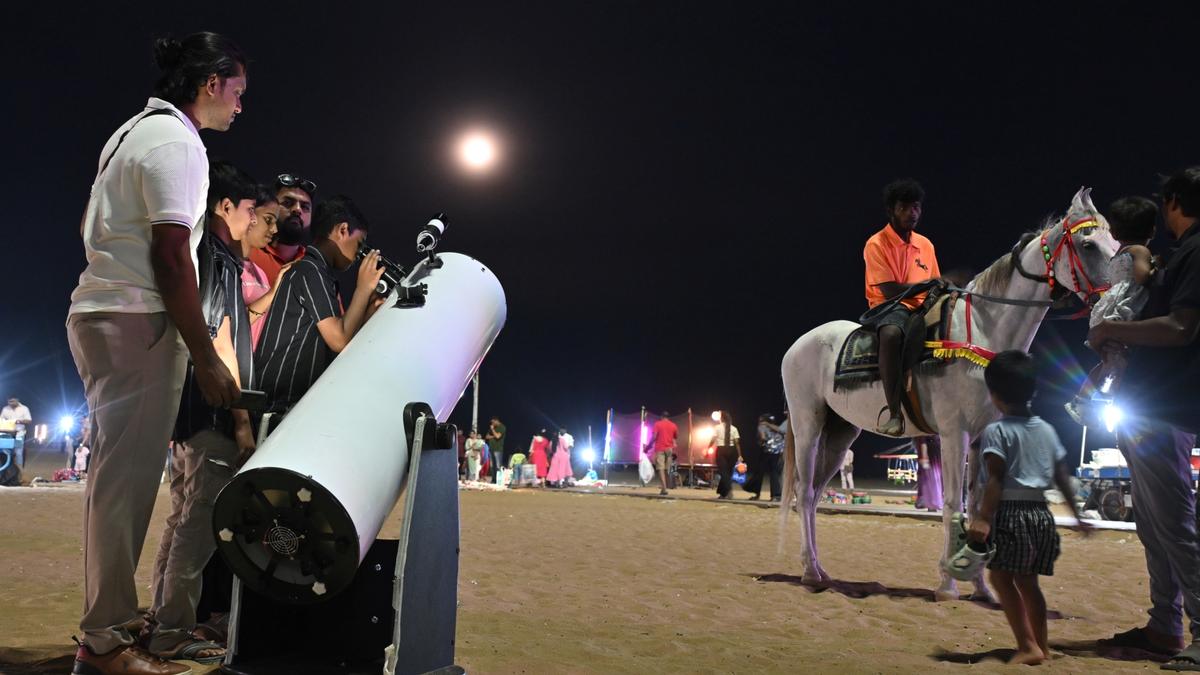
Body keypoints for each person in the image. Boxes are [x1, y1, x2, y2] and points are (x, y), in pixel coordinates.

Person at [66, 33, 245, 675]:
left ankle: (107, 623)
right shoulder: (177, 142)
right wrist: (204, 354)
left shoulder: (131, 132)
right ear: (211, 83)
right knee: (125, 488)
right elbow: (173, 258)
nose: (240, 107)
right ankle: (105, 640)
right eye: (237, 92)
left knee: (115, 482)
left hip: (103, 310)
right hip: (136, 317)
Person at [146, 160, 260, 664]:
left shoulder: (205, 255)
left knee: (181, 519)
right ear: (225, 206)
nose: (254, 220)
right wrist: (241, 420)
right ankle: (173, 632)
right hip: (211, 412)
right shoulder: (217, 259)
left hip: (188, 411)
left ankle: (159, 619)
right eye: (250, 209)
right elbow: (220, 341)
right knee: (197, 525)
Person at [1089, 168, 1200, 666]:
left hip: (1165, 407)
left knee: (1174, 525)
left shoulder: (1196, 252)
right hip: (1149, 405)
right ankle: (1164, 626)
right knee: (1154, 527)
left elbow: (1181, 327)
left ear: (1174, 201)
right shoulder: (1178, 255)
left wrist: (1112, 327)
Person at [967, 350, 1089, 665]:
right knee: (1028, 582)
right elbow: (1063, 476)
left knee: (999, 579)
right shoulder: (1046, 430)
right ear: (1033, 391)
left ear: (993, 396)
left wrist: (983, 518)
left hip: (1011, 515)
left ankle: (1027, 645)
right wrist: (1077, 516)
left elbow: (995, 479)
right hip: (1041, 516)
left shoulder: (997, 431)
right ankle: (1042, 647)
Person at [254, 195, 385, 407]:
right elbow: (339, 340)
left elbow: (335, 347)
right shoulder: (309, 269)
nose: (359, 254)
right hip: (275, 406)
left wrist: (368, 311)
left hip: (284, 405)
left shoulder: (317, 272)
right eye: (359, 244)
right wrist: (363, 288)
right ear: (343, 230)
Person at [1065, 196, 1158, 424]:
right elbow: (1142, 275)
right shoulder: (1139, 251)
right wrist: (1157, 268)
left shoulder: (1118, 255)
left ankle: (1081, 400)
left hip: (1107, 309)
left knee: (1109, 360)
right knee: (1118, 362)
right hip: (1125, 311)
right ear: (1153, 231)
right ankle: (1105, 399)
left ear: (1114, 234)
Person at [863, 179, 942, 436]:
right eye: (904, 208)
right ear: (891, 210)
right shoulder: (876, 243)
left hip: (923, 307)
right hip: (889, 307)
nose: (912, 213)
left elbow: (935, 284)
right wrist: (929, 285)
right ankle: (894, 413)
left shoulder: (926, 244)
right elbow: (888, 290)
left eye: (916, 207)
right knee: (891, 335)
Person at [240, 185, 290, 350]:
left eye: (276, 223)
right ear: (250, 214)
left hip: (253, 369)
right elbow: (229, 326)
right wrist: (272, 293)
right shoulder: (225, 266)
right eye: (268, 220)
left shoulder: (259, 272)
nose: (274, 229)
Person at [248, 173, 316, 286]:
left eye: (305, 207)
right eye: (288, 203)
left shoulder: (316, 266)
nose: (297, 209)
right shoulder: (246, 252)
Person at [751, 413, 784, 502]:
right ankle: (776, 495)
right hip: (777, 452)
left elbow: (763, 437)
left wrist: (762, 441)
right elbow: (782, 433)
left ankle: (756, 494)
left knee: (759, 472)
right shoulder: (776, 428)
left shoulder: (761, 427)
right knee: (774, 472)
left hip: (766, 451)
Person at [709, 411, 741, 499]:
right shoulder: (734, 428)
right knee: (728, 472)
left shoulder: (717, 427)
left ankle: (729, 491)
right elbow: (737, 443)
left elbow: (713, 439)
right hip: (732, 451)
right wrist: (739, 455)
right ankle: (723, 493)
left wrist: (708, 447)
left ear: (722, 418)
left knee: (723, 472)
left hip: (721, 450)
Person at [648, 411, 678, 496]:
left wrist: (648, 446)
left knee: (660, 468)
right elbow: (675, 437)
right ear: (668, 417)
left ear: (661, 416)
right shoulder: (673, 425)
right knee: (666, 469)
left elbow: (654, 437)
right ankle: (667, 486)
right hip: (669, 449)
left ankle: (664, 488)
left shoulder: (657, 424)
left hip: (660, 448)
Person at [1, 396, 32, 468]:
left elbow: (29, 420)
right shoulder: (5, 409)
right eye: (9, 402)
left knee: (18, 452)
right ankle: (6, 469)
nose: (11, 403)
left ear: (17, 400)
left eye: (12, 401)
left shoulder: (24, 409)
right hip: (7, 433)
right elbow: (1, 420)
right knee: (5, 451)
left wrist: (19, 421)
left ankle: (19, 469)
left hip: (19, 432)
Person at [914, 435, 942, 512]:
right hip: (930, 456)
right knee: (931, 480)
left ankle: (934, 502)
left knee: (936, 479)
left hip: (937, 455)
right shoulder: (925, 432)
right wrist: (924, 456)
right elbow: (922, 442)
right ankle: (931, 503)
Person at [484, 417, 506, 481]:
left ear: (497, 421)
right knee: (492, 466)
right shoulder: (492, 428)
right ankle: (493, 480)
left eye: (493, 422)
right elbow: (487, 437)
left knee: (498, 466)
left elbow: (497, 436)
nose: (492, 424)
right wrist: (493, 435)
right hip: (491, 449)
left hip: (498, 449)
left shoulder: (502, 427)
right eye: (491, 422)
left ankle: (499, 480)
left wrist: (493, 430)